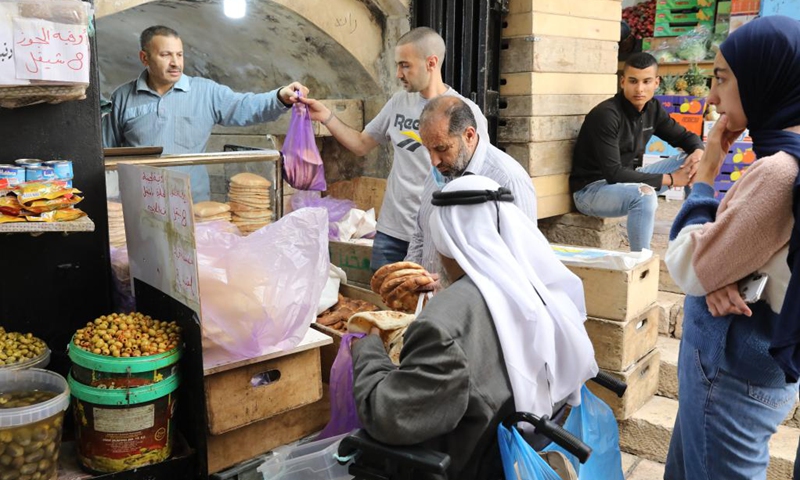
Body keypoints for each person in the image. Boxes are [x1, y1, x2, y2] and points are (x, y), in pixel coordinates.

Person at [351, 175, 598, 480]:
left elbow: (389, 416)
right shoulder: (541, 287)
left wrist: (368, 347)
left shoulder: (442, 325)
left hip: (462, 463)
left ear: (444, 237)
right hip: (514, 445)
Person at [663, 16, 800, 480]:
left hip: (732, 376)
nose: (711, 98)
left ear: (765, 78)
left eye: (721, 79)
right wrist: (728, 268)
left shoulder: (777, 172)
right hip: (748, 367)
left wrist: (705, 177)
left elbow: (686, 265)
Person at [299, 27, 488, 271]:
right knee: (381, 304)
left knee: (423, 306)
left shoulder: (465, 112)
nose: (398, 73)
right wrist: (325, 116)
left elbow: (480, 176)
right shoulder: (398, 102)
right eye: (397, 65)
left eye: (405, 65)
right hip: (391, 233)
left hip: (434, 233)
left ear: (431, 62)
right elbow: (361, 144)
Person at [103, 25, 308, 202]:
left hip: (193, 205)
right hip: (139, 204)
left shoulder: (205, 92)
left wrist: (280, 97)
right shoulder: (123, 97)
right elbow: (104, 150)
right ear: (144, 58)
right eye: (165, 55)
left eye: (179, 54)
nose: (175, 62)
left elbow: (245, 106)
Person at [570, 52, 705, 252]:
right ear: (623, 82)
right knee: (644, 195)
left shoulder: (652, 109)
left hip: (623, 184)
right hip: (591, 191)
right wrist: (671, 179)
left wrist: (699, 152)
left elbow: (687, 138)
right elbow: (613, 173)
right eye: (633, 81)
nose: (639, 89)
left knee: (693, 160)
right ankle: (640, 261)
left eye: (646, 81)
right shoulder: (607, 115)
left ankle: (696, 242)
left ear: (656, 83)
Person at [405, 95, 537, 281]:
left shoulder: (508, 180)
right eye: (428, 149)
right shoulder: (439, 170)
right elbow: (421, 234)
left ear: (469, 135)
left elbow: (522, 261)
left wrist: (450, 288)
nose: (433, 161)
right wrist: (412, 277)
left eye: (442, 149)